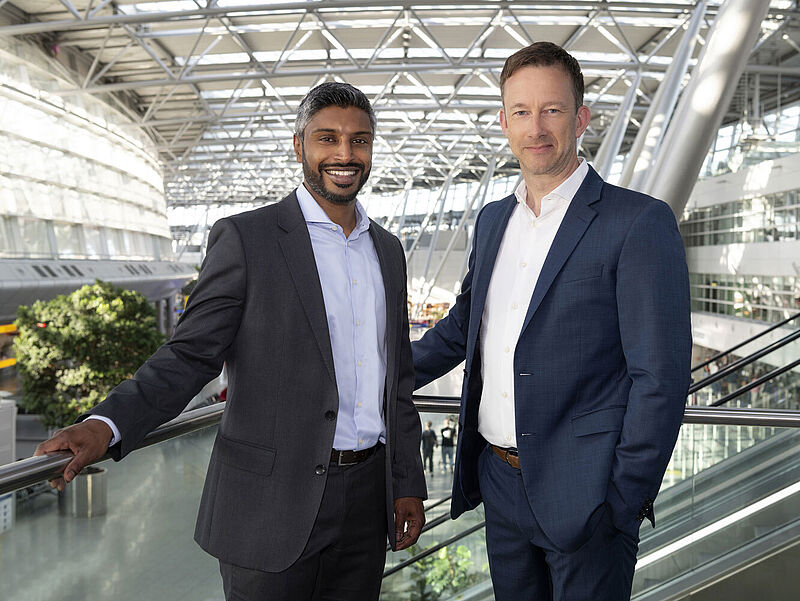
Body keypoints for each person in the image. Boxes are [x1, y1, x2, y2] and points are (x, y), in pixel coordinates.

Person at [35, 82, 426, 601]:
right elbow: (191, 353)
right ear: (299, 145)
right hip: (269, 504)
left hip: (365, 502)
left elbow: (395, 381)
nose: (345, 154)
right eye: (327, 138)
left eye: (360, 140)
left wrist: (407, 483)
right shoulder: (248, 239)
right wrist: (106, 424)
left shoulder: (388, 250)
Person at [412, 42, 691, 601]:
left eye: (552, 110)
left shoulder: (636, 222)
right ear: (503, 122)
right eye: (521, 112)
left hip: (590, 498)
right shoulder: (493, 221)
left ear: (581, 118)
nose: (535, 128)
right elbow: (464, 325)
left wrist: (622, 501)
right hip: (499, 483)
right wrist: (368, 375)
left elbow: (660, 378)